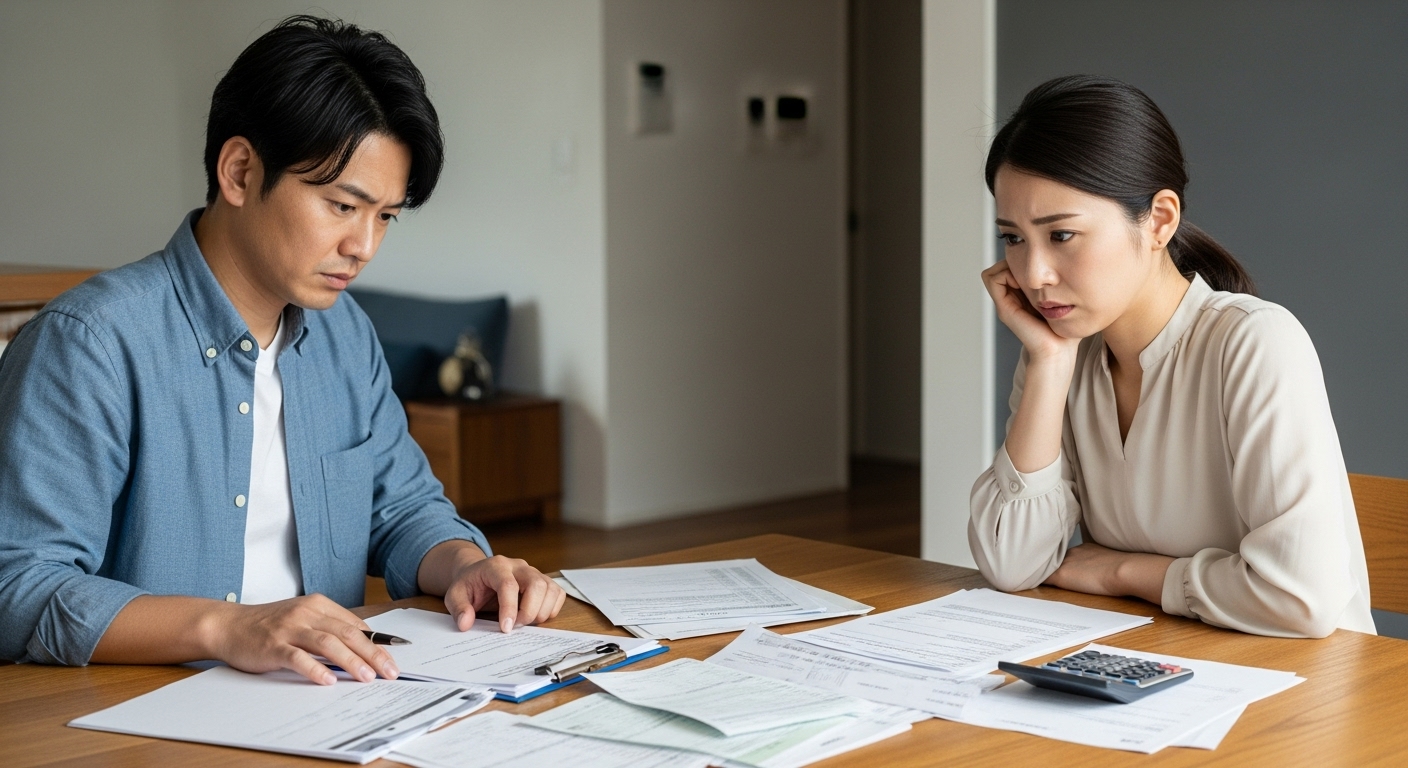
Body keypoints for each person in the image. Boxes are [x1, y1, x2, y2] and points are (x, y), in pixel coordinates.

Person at [0, 16, 565, 683]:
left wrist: (467, 567)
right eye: (341, 205)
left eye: (385, 216)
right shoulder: (90, 344)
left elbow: (405, 509)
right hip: (142, 718)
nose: (365, 246)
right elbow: (18, 586)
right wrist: (228, 626)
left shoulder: (346, 334)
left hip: (329, 703)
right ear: (239, 171)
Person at [969, 75, 1374, 638]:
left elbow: (1300, 598)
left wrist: (1123, 573)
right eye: (1012, 238)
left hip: (1310, 695)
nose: (1033, 276)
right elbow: (1012, 563)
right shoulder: (1063, 353)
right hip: (1165, 671)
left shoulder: (1255, 343)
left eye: (1061, 235)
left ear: (1159, 219)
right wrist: (1048, 365)